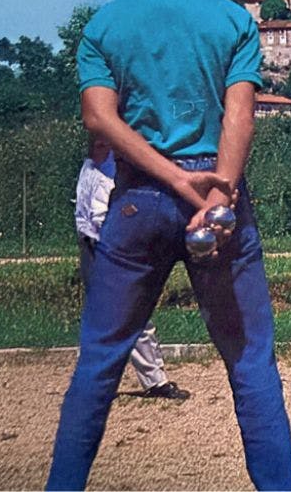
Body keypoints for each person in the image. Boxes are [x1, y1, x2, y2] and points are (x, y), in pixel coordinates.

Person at [47, 0, 291, 490]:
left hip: (138, 196)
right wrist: (216, 193)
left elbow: (99, 119)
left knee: (99, 364)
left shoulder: (105, 24)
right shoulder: (233, 20)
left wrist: (170, 176)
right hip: (219, 196)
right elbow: (241, 114)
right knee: (250, 362)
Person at [75, 136, 189, 400]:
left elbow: (109, 214)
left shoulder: (106, 169)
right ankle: (141, 381)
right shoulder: (97, 170)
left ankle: (148, 380)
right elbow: (95, 216)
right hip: (97, 247)